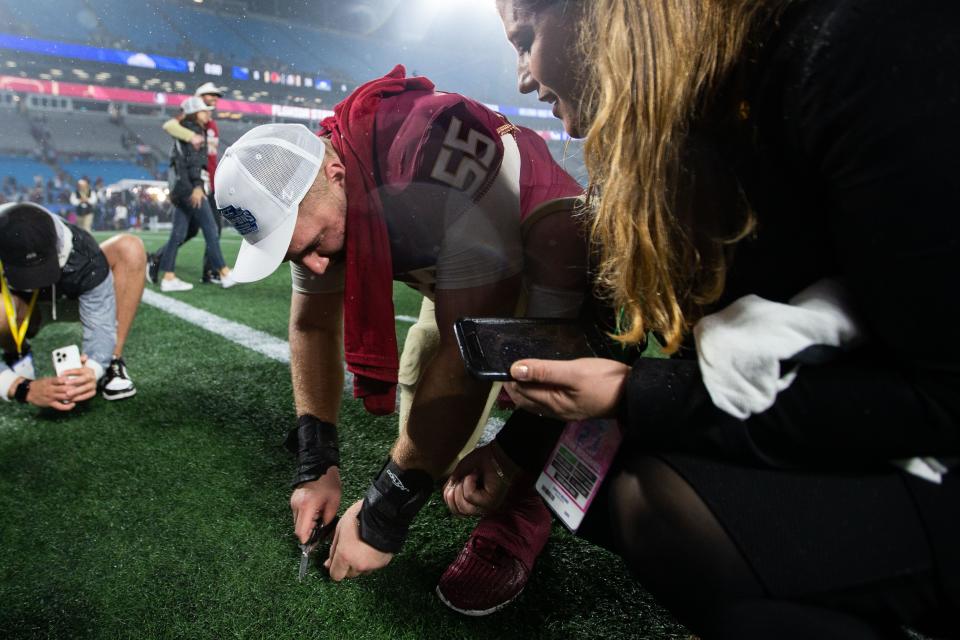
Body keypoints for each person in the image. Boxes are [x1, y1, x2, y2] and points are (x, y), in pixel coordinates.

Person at [442, 0, 960, 638]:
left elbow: (942, 397)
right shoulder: (669, 128)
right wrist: (518, 451)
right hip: (857, 404)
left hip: (935, 442)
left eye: (524, 40)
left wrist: (637, 394)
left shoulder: (852, 47)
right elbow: (625, 329)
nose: (521, 76)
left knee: (659, 506)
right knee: (596, 482)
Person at [214, 66, 588, 606]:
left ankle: (524, 509)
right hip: (460, 263)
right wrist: (317, 462)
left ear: (338, 172)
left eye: (317, 241)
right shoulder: (320, 185)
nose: (317, 267)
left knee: (539, 379)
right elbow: (312, 323)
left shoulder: (428, 159)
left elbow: (467, 354)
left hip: (546, 258)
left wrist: (385, 510)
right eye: (298, 254)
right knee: (420, 369)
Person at [0, 202, 144, 408]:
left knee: (129, 248)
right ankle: (16, 350)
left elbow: (100, 320)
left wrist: (94, 368)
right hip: (20, 305)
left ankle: (112, 361)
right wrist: (19, 387)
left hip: (73, 298)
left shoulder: (82, 250)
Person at [153, 96, 236, 292]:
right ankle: (224, 272)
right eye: (204, 110)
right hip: (192, 189)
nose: (209, 113)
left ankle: (168, 276)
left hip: (181, 188)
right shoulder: (195, 131)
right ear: (194, 113)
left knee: (178, 234)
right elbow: (194, 163)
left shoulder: (185, 131)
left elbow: (181, 161)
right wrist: (198, 186)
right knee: (210, 230)